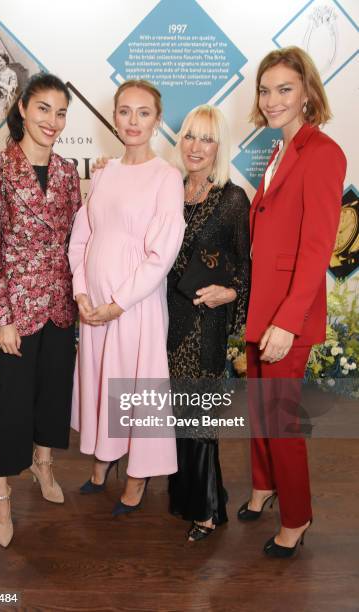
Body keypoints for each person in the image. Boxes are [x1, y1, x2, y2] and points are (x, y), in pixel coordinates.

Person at [238, 46, 346, 557]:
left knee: (280, 419)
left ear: (307, 91)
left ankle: (297, 517)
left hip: (288, 314)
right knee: (260, 409)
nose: (273, 99)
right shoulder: (281, 151)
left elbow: (317, 247)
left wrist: (288, 321)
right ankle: (263, 487)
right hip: (264, 305)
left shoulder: (324, 152)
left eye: (284, 88)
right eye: (266, 89)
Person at [0, 73, 81, 547]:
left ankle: (44, 464)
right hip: (16, 310)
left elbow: (79, 242)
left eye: (60, 112)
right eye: (43, 109)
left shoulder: (67, 170)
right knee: (10, 405)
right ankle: (0, 493)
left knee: (54, 395)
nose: (52, 121)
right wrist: (2, 318)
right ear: (22, 108)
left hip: (60, 304)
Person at [68, 79, 185, 515]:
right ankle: (103, 460)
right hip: (93, 306)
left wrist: (118, 302)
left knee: (136, 388)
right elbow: (81, 240)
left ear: (157, 120)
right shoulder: (103, 172)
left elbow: (162, 254)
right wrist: (82, 292)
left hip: (134, 307)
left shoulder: (166, 177)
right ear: (114, 116)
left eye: (143, 112)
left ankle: (138, 475)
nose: (132, 121)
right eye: (124, 111)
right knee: (102, 383)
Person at [166, 105, 250, 541]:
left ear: (220, 145)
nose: (196, 147)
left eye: (207, 138)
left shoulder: (232, 199)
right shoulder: (171, 188)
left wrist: (231, 292)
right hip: (167, 320)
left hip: (205, 324)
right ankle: (187, 496)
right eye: (190, 136)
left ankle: (207, 510)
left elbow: (245, 264)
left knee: (198, 419)